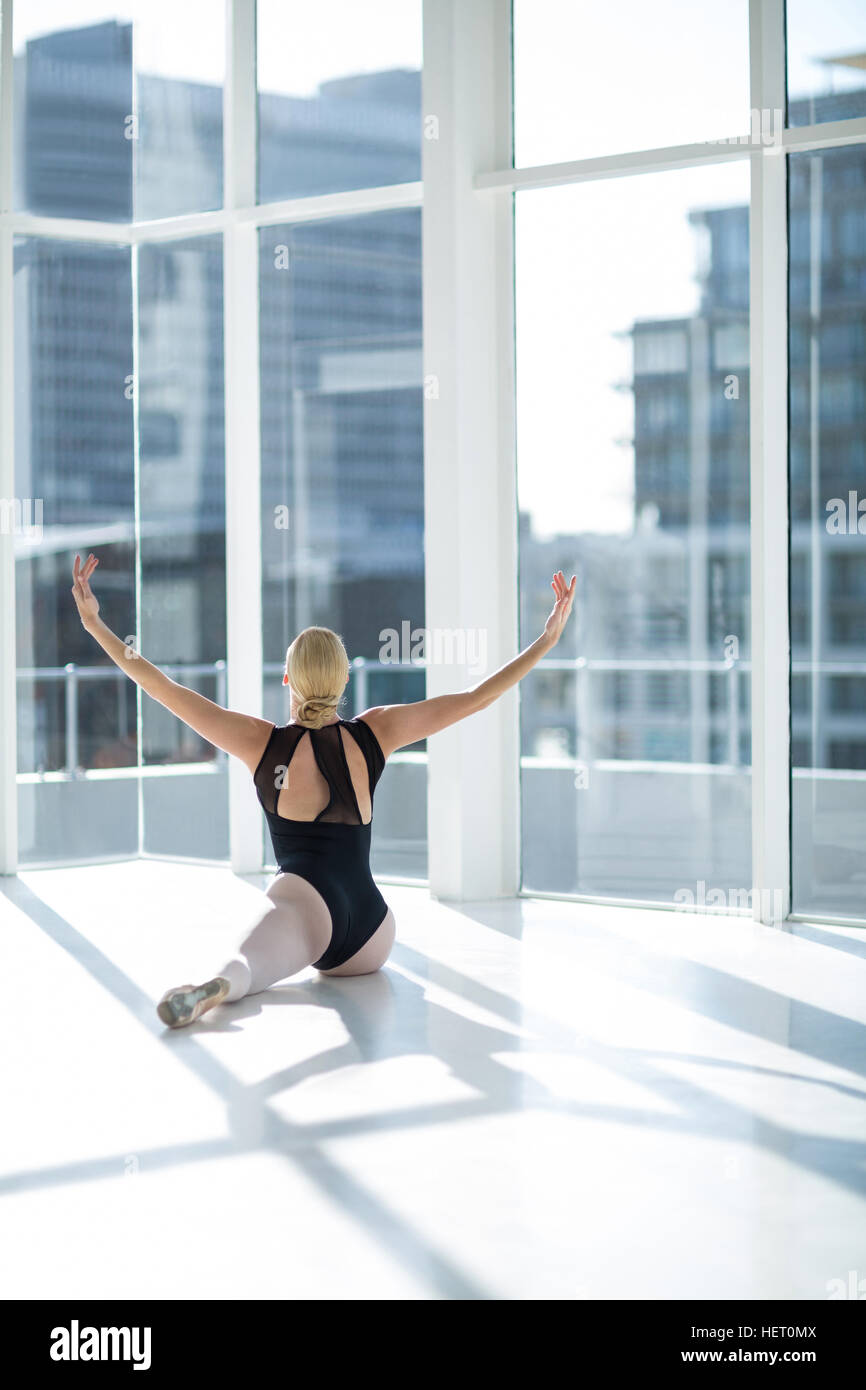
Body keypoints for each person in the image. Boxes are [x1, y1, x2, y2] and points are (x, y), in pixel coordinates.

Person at [69, 553, 576, 1028]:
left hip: (307, 914)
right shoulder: (376, 731)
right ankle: (229, 979)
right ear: (343, 679)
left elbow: (161, 687)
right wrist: (546, 641)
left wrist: (95, 624)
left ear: (289, 678)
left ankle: (218, 985)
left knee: (246, 961)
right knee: (290, 923)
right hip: (373, 934)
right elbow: (474, 698)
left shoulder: (260, 742)